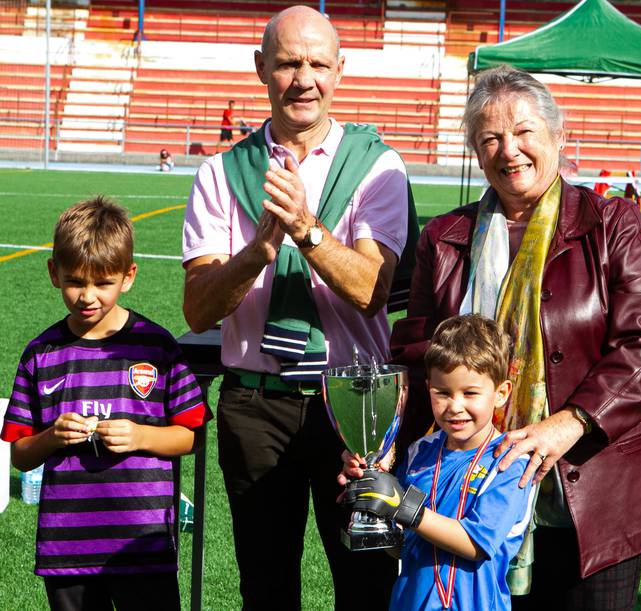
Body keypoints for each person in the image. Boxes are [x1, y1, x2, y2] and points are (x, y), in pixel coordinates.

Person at [352, 65, 641, 610]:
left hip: (594, 491)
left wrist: (570, 422)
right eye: (490, 138)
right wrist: (387, 447)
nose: (509, 150)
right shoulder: (443, 238)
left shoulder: (612, 224)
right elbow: (417, 360)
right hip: (471, 493)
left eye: (524, 131)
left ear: (557, 135)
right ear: (476, 151)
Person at [181, 5, 417, 609]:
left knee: (366, 583)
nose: (304, 79)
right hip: (256, 404)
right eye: (288, 63)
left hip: (354, 402)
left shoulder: (378, 165)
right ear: (261, 67)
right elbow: (199, 311)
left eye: (318, 64)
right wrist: (258, 252)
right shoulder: (221, 172)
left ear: (341, 70)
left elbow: (370, 289)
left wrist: (307, 230)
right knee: (265, 587)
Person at [1, 197, 211, 611]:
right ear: (54, 273)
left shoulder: (156, 346)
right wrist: (53, 436)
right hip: (68, 549)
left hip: (143, 547)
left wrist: (140, 436)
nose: (87, 296)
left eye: (102, 283)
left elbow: (193, 435)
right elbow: (21, 455)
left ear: (128, 276)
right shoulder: (41, 354)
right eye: (75, 281)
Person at [345, 314, 536, 610]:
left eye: (470, 393)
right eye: (443, 393)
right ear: (428, 388)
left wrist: (402, 507)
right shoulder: (419, 453)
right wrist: (375, 508)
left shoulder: (510, 463)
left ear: (501, 393)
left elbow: (475, 545)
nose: (455, 406)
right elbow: (402, 546)